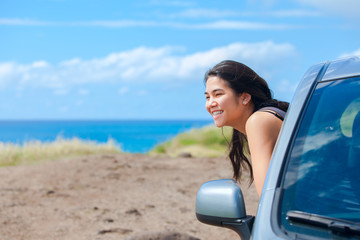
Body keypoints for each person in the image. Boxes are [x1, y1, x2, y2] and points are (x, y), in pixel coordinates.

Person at [204, 60, 289, 196]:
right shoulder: (267, 116)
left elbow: (268, 197)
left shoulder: (259, 121)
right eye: (207, 97)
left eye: (218, 94)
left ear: (244, 97)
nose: (210, 103)